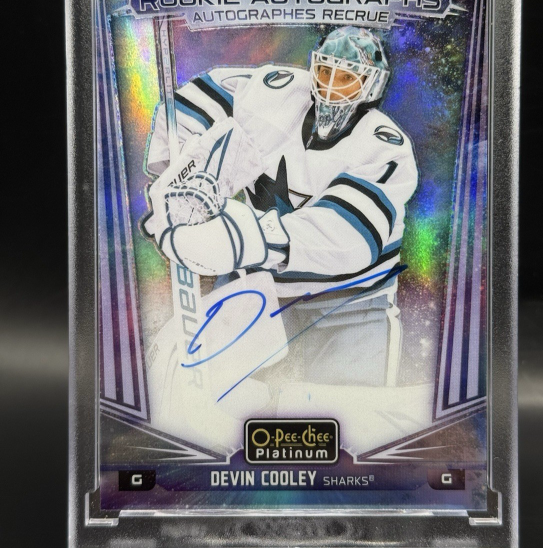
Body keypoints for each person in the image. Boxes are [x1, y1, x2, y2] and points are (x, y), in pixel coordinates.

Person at [144, 26, 418, 386]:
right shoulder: (277, 90)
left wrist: (238, 240)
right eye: (325, 71)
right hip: (257, 286)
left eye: (347, 78)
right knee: (216, 395)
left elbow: (346, 238)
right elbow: (192, 103)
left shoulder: (385, 146)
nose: (331, 86)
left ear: (371, 85)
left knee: (349, 409)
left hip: (350, 302)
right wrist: (179, 174)